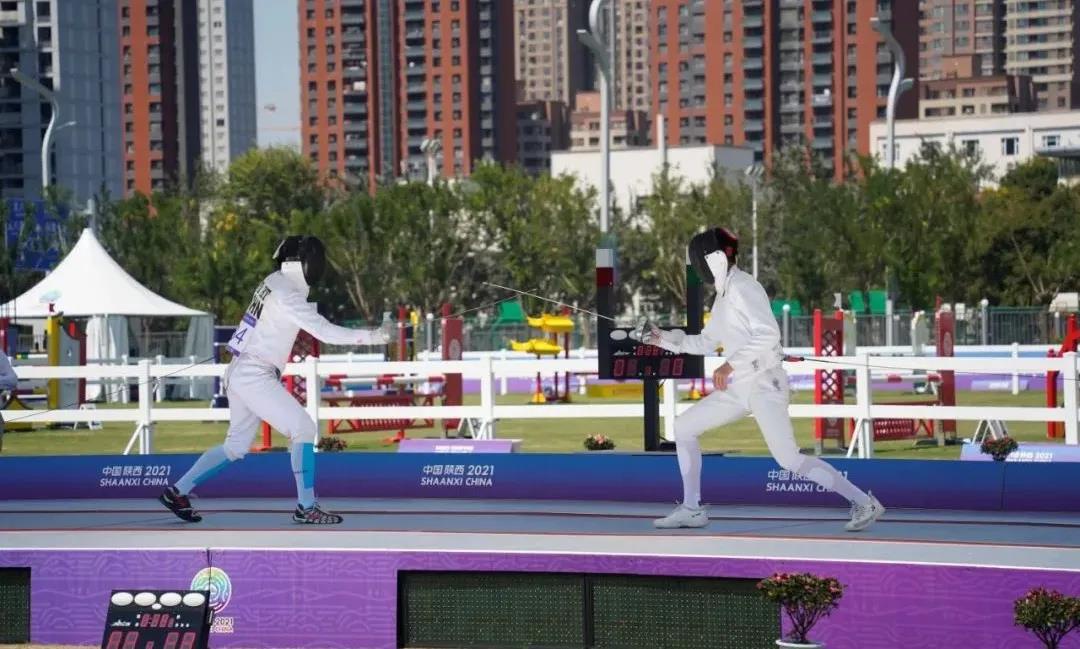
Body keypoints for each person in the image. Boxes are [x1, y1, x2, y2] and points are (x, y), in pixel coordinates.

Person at [645, 227, 884, 532]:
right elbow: (704, 342)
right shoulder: (723, 297)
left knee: (788, 459)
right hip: (740, 386)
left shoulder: (744, 287)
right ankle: (692, 509)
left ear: (714, 258)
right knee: (684, 427)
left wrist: (729, 365)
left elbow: (768, 334)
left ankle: (864, 502)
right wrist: (660, 338)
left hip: (765, 382)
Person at [160, 235, 389, 525]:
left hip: (240, 370)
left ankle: (177, 492)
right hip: (254, 373)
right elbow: (325, 331)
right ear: (301, 263)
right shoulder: (287, 295)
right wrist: (375, 336)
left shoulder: (273, 282)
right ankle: (306, 507)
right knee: (303, 428)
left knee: (235, 446)